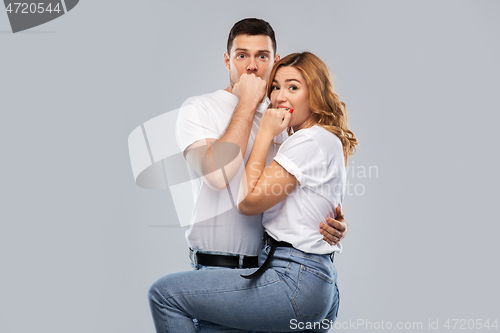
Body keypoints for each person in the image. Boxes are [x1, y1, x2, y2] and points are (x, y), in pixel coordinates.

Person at [149, 51, 358, 332]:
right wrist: (339, 226)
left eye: (293, 87)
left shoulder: (308, 139)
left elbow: (248, 201)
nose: (280, 96)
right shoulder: (321, 138)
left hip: (292, 279)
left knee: (165, 295)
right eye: (275, 87)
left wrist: (263, 135)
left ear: (316, 93)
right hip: (315, 280)